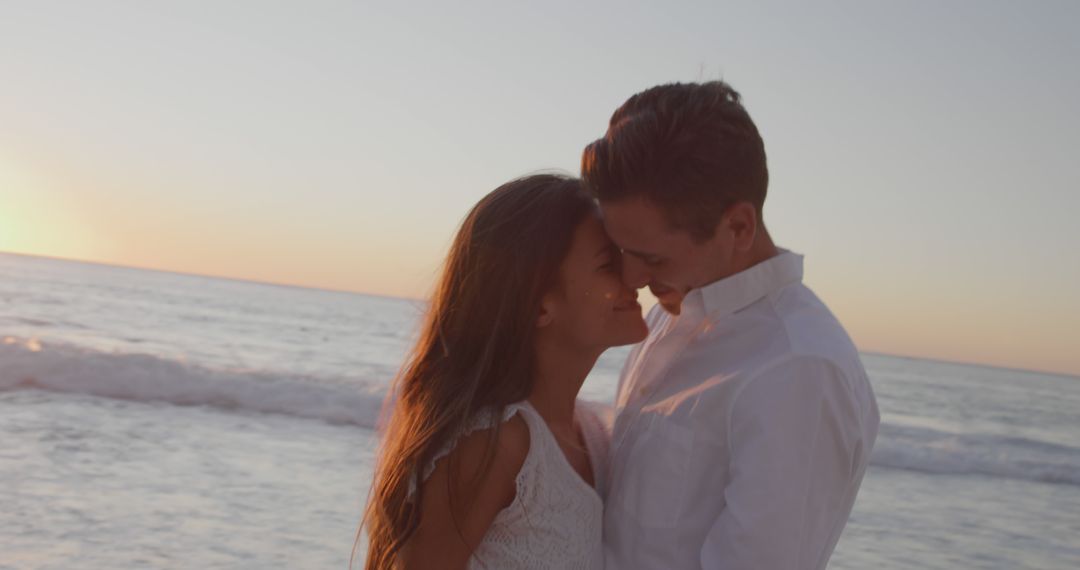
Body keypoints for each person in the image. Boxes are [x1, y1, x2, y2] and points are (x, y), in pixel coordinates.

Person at [581, 81, 881, 569]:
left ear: (739, 227)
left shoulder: (797, 368)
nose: (632, 278)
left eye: (651, 257)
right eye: (623, 253)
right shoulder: (669, 312)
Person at [359, 174, 647, 569]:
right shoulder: (494, 443)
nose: (635, 277)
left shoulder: (592, 432)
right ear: (538, 305)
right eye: (607, 263)